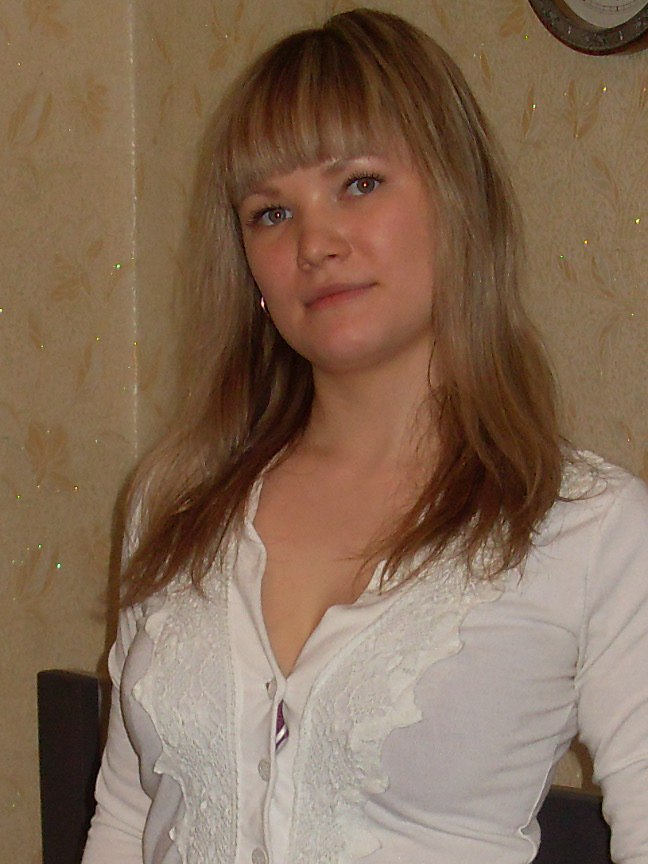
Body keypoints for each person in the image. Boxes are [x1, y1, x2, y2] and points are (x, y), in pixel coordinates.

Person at [82, 9, 648, 864]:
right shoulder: (176, 498)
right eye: (271, 212)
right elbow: (127, 819)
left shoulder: (587, 528)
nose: (315, 242)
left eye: (359, 184)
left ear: (459, 202)